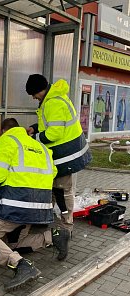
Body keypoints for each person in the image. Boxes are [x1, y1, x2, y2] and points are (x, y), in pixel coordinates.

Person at [0, 118, 69, 291]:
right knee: (13, 245)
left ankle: (20, 265)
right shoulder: (42, 148)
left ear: (3, 131)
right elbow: (52, 172)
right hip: (40, 208)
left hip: (15, 205)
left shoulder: (8, 141)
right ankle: (53, 236)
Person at [25, 74, 92, 236]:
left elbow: (54, 133)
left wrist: (34, 138)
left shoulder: (53, 103)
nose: (34, 98)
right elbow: (49, 124)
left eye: (34, 94)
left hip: (66, 155)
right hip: (63, 155)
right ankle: (46, 221)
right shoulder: (50, 100)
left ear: (40, 90)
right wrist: (35, 127)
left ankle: (66, 227)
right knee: (54, 189)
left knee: (63, 191)